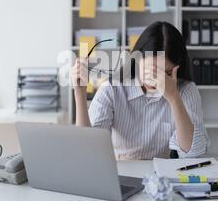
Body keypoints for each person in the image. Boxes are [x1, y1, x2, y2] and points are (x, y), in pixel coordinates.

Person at [71, 21, 208, 160]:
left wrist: (173, 97)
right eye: (150, 71)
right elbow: (86, 149)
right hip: (120, 172)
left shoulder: (186, 91)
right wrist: (79, 93)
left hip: (160, 176)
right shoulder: (112, 89)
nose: (155, 81)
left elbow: (195, 154)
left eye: (165, 73)